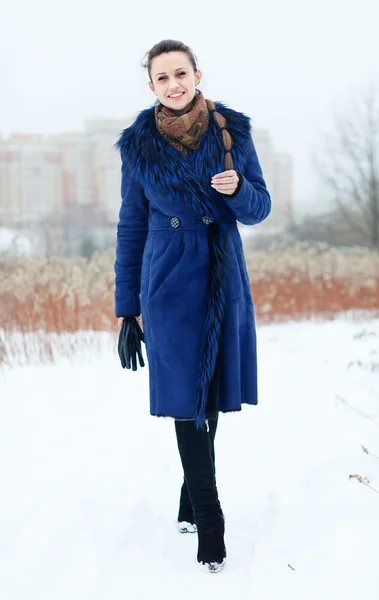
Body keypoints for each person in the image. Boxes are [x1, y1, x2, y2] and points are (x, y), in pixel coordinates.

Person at [114, 39, 271, 574]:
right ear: (151, 86)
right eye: (162, 77)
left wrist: (237, 191)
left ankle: (189, 494)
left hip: (222, 274)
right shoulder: (137, 148)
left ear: (198, 75)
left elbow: (260, 207)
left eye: (181, 73)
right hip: (167, 283)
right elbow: (131, 226)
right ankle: (210, 515)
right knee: (185, 395)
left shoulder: (233, 133)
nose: (173, 83)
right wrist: (126, 305)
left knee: (211, 390)